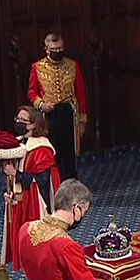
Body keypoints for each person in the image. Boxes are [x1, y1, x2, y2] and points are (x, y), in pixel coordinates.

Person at [0, 106, 61, 273]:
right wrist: (9, 191)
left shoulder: (41, 149)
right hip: (19, 203)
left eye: (22, 121)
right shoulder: (18, 144)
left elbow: (42, 181)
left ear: (33, 125)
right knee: (23, 249)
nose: (18, 123)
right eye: (17, 119)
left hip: (35, 205)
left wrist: (16, 175)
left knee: (35, 249)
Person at [28, 33, 88, 181]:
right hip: (48, 115)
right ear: (47, 49)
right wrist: (41, 104)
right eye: (54, 49)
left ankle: (70, 185)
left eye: (60, 49)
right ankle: (53, 184)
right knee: (52, 152)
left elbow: (80, 93)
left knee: (69, 153)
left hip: (68, 113)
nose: (58, 52)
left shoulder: (72, 65)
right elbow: (32, 92)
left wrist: (82, 121)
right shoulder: (37, 67)